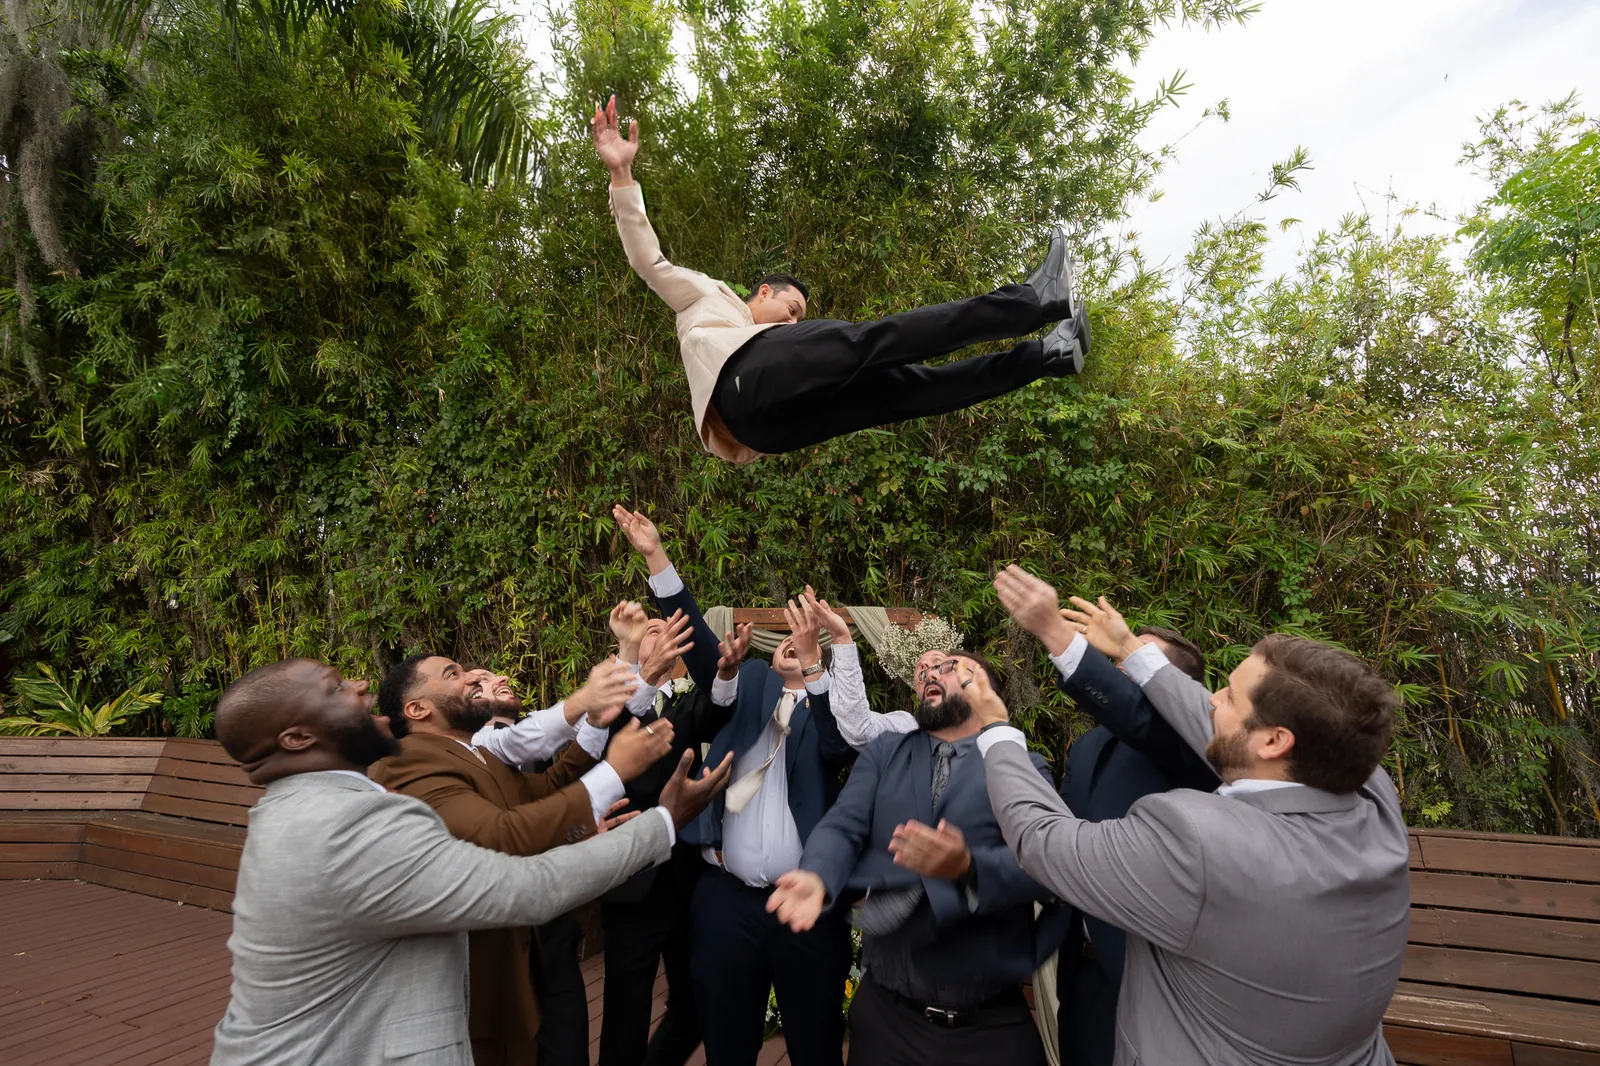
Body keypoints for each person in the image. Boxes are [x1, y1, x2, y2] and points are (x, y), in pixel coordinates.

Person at [979, 566, 1411, 1066]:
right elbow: (1197, 713)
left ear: (1275, 740)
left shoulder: (1201, 842)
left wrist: (994, 730)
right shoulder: (1369, 788)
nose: (1211, 699)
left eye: (1227, 694)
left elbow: (1041, 840)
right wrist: (1129, 650)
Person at [208, 657, 732, 1066]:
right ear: (297, 738)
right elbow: (524, 888)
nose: (361, 686)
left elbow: (540, 788)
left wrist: (593, 726)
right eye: (334, 688)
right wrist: (662, 821)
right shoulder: (342, 825)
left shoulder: (309, 807)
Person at [591, 95, 1091, 463]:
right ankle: (1037, 298)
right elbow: (648, 262)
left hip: (770, 431)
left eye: (798, 320)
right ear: (763, 291)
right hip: (745, 388)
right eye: (791, 311)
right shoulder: (708, 299)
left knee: (905, 391)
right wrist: (621, 176)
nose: (792, 324)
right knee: (874, 340)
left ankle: (1049, 355)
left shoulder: (779, 345)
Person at [613, 506, 857, 1066]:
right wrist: (656, 556)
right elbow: (699, 641)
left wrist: (819, 669)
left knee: (816, 1043)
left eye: (807, 646)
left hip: (807, 907)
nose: (794, 645)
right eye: (790, 643)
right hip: (726, 899)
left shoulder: (834, 709)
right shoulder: (748, 682)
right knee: (726, 1043)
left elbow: (836, 749)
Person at [367, 642, 686, 1066]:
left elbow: (550, 786)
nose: (473, 680)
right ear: (418, 709)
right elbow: (502, 834)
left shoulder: (474, 751)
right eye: (453, 674)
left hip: (543, 945)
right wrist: (617, 771)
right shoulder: (408, 765)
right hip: (494, 965)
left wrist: (596, 724)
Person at [766, 651, 1071, 1066]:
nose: (933, 672)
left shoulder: (1023, 766)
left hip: (990, 1028)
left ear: (988, 694)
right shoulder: (885, 753)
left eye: (954, 669)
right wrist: (818, 874)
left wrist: (969, 868)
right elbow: (844, 824)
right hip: (886, 1021)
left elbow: (1051, 865)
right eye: (930, 669)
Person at [1040, 619, 1220, 1066]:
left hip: (1150, 974)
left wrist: (1058, 639)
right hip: (1080, 970)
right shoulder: (1086, 746)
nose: (1117, 672)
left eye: (1131, 664)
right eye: (1118, 663)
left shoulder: (1195, 749)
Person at [595, 600, 755, 1066]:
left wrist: (725, 672)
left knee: (695, 1003)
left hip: (689, 878)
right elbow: (599, 747)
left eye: (667, 628)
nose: (660, 635)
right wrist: (639, 681)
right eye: (649, 631)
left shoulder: (690, 701)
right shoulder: (607, 700)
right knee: (625, 1010)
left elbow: (718, 709)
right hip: (631, 877)